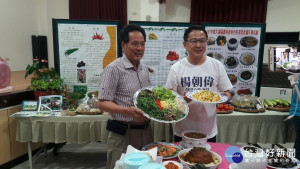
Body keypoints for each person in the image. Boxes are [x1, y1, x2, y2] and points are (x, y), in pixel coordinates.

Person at [97, 24, 153, 169]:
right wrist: (127, 111)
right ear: (123, 45)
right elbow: (102, 103)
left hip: (146, 131)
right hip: (123, 134)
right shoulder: (113, 69)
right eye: (134, 44)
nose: (139, 48)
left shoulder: (144, 69)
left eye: (142, 44)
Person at [165, 25, 233, 142]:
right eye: (193, 41)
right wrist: (182, 100)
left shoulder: (216, 65)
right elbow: (168, 100)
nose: (198, 45)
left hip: (208, 131)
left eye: (202, 41)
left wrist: (226, 97)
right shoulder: (176, 68)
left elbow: (227, 92)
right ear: (185, 44)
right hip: (182, 131)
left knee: (209, 159)